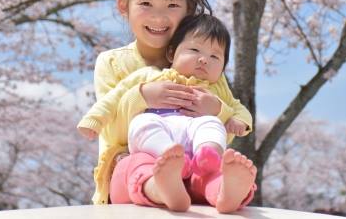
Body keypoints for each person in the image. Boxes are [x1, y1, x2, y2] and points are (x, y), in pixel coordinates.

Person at [77, 0, 256, 212]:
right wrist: (144, 97)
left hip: (192, 172)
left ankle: (227, 192)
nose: (158, 17)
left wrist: (217, 110)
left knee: (215, 165)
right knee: (131, 163)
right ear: (124, 5)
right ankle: (160, 185)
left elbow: (218, 134)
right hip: (135, 170)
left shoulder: (203, 64)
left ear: (190, 9)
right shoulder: (112, 63)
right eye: (146, 4)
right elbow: (111, 132)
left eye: (172, 5)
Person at [78, 14, 255, 212]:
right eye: (195, 50)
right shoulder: (150, 76)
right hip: (154, 154)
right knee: (142, 126)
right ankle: (165, 176)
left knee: (211, 127)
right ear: (171, 53)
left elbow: (239, 108)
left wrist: (238, 120)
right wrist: (94, 119)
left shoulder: (218, 91)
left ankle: (222, 185)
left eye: (215, 56)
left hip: (197, 157)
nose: (204, 60)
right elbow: (114, 97)